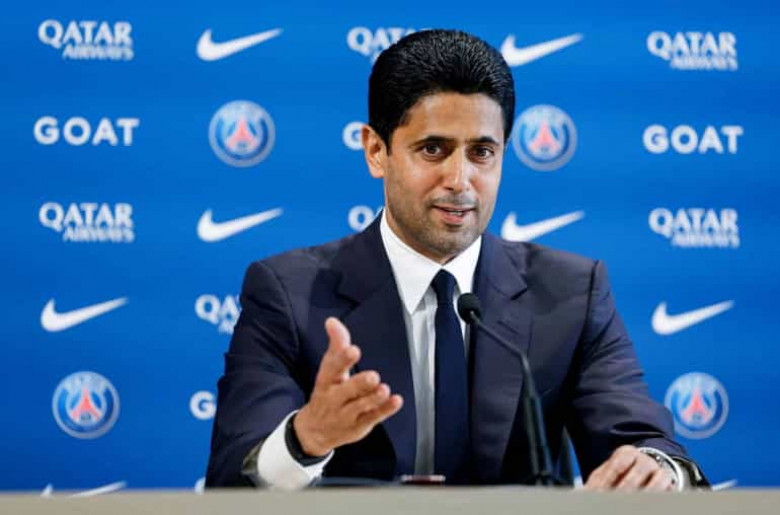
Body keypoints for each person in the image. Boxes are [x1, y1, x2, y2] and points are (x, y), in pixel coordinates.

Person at [205, 29, 707, 491]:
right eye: (433, 149)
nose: (460, 180)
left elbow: (646, 442)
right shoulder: (288, 293)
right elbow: (231, 479)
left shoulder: (572, 292)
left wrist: (656, 471)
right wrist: (305, 439)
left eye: (482, 152)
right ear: (376, 150)